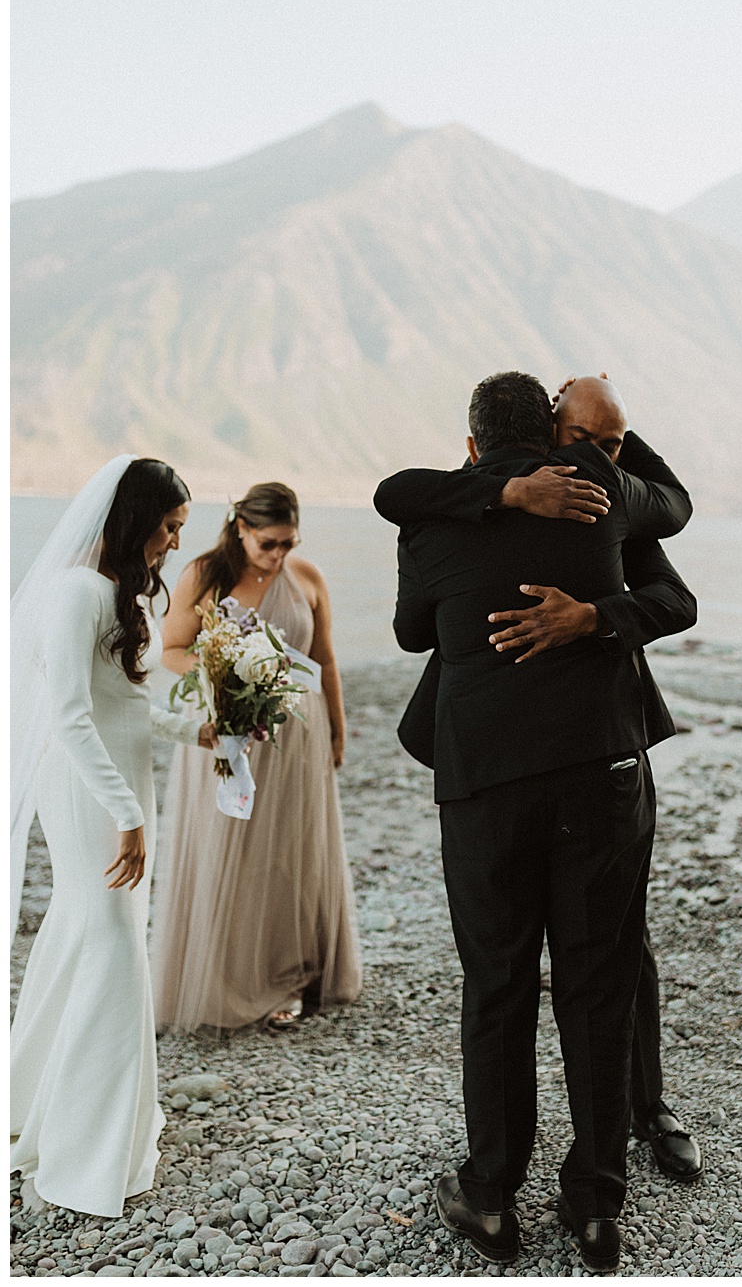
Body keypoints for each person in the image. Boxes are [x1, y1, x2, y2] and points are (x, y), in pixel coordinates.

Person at [380, 371, 694, 1274]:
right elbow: (673, 514)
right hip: (601, 774)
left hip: (486, 786)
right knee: (598, 985)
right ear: (556, 432)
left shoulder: (435, 514)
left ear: (473, 444)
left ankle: (490, 1195)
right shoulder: (603, 498)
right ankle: (595, 1209)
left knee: (499, 985)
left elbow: (411, 633)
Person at [10, 458, 218, 1217]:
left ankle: (47, 1104)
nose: (171, 543)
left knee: (85, 937)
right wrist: (124, 811)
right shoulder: (74, 592)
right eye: (167, 526)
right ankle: (85, 1145)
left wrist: (197, 731)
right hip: (94, 796)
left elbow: (124, 707)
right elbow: (68, 714)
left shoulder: (116, 594)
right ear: (134, 519)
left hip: (127, 791)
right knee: (110, 949)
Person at [153, 483, 363, 1031]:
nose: (279, 555)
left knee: (290, 856)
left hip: (299, 739)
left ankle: (289, 976)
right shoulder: (204, 576)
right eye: (269, 543)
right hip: (231, 733)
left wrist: (338, 734)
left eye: (288, 543)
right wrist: (226, 669)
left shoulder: (307, 578)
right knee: (231, 856)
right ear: (241, 529)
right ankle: (227, 976)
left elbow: (327, 661)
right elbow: (172, 649)